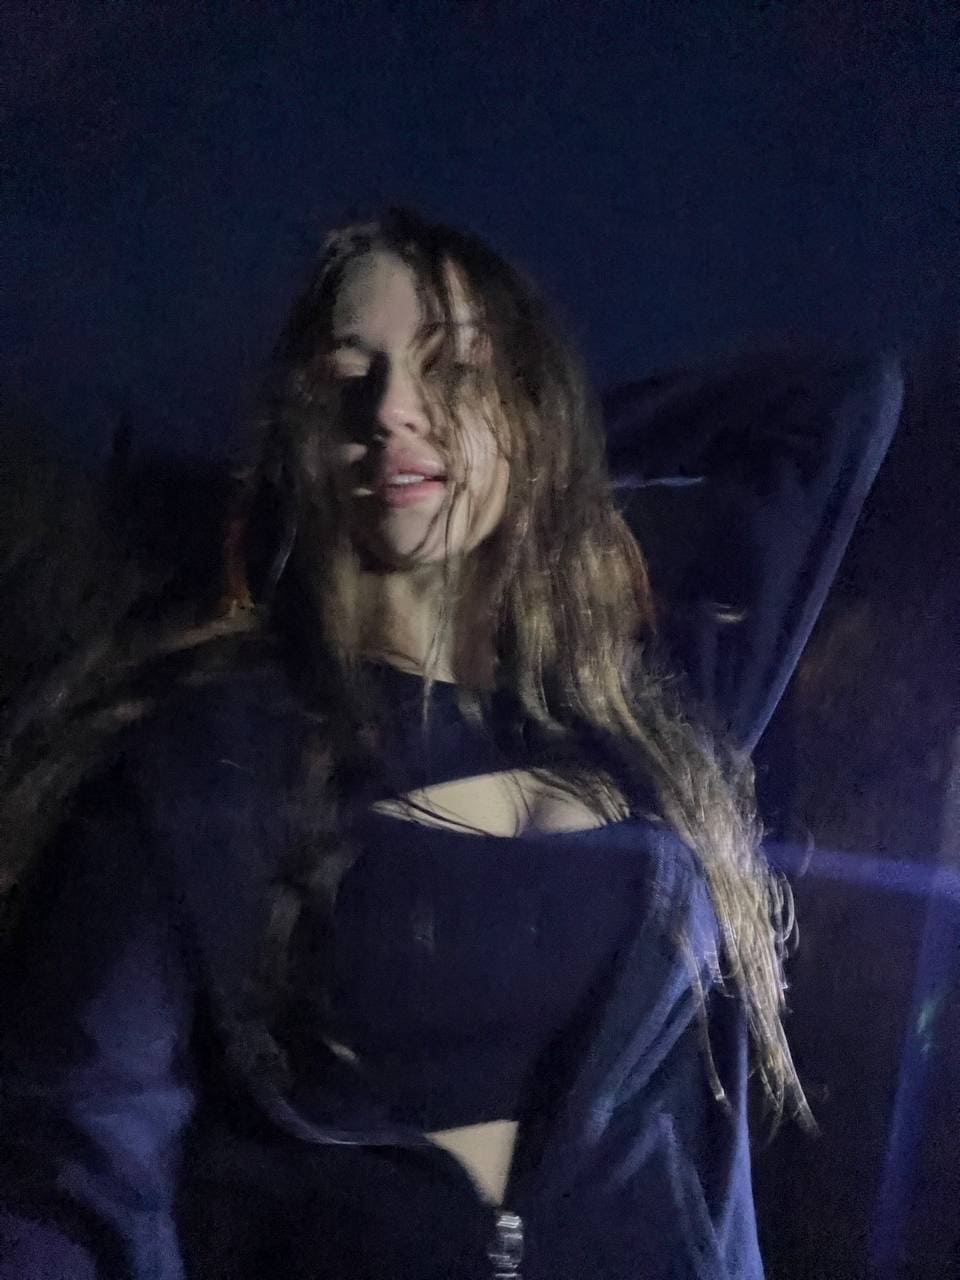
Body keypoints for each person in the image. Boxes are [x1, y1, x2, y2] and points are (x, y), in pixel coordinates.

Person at [0, 210, 902, 1279]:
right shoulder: (207, 755)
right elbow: (80, 1161)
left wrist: (533, 448)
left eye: (450, 368)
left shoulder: (648, 715)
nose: (391, 408)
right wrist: (465, 438)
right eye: (349, 378)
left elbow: (835, 406)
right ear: (299, 439)